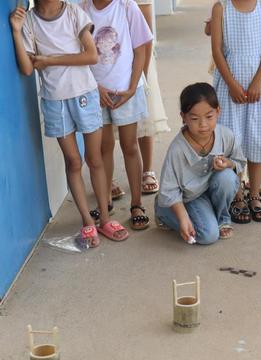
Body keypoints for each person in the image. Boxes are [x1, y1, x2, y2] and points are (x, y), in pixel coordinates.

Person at [9, 0, 128, 246]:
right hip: (55, 101)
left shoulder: (74, 13)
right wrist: (16, 31)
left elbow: (91, 56)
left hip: (85, 94)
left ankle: (105, 218)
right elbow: (28, 69)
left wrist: (49, 60)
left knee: (94, 159)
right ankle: (87, 221)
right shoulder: (29, 21)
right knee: (73, 161)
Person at [80, 0, 153, 230]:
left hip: (126, 91)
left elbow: (141, 50)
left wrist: (132, 88)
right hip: (96, 93)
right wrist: (95, 87)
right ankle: (106, 202)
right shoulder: (82, 11)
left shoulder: (127, 7)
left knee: (130, 146)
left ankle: (136, 204)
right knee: (104, 148)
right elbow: (80, 55)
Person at [211, 0, 261, 223]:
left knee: (257, 138)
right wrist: (232, 84)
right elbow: (217, 50)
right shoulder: (221, 8)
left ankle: (254, 193)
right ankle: (237, 194)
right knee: (233, 139)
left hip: (260, 84)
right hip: (229, 84)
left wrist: (257, 81)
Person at [155, 83, 245, 244]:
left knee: (227, 177)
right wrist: (182, 218)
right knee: (207, 235)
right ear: (183, 117)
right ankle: (163, 212)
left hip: (211, 191)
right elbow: (170, 189)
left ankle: (222, 218)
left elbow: (239, 162)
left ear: (218, 111)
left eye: (209, 117)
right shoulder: (177, 149)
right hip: (188, 198)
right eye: (194, 119)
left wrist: (228, 163)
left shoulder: (225, 135)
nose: (203, 124)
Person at [113, 0, 171, 197]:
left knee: (144, 116)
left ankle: (147, 169)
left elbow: (146, 37)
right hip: (108, 63)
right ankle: (107, 176)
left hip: (139, 61)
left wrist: (140, 77)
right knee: (105, 122)